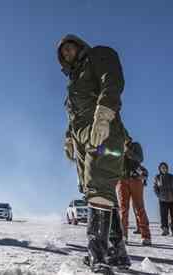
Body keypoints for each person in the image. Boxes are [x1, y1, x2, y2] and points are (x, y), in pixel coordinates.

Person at [58, 34, 130, 272]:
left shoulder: (98, 55)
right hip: (84, 142)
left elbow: (112, 80)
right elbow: (74, 118)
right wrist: (70, 139)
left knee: (100, 185)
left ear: (80, 47)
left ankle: (97, 253)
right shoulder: (73, 83)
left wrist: (104, 113)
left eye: (70, 48)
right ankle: (116, 250)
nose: (67, 53)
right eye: (63, 53)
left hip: (104, 132)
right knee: (95, 190)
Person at [116, 139, 151, 245]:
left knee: (139, 207)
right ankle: (123, 236)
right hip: (121, 180)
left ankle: (146, 237)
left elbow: (140, 158)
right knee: (123, 209)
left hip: (135, 180)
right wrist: (98, 147)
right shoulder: (116, 146)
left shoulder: (136, 145)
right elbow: (105, 153)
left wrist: (127, 151)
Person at [154, 162, 173, 236]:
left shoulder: (172, 177)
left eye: (165, 167)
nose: (163, 169)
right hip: (163, 200)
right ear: (160, 169)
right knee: (163, 216)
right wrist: (159, 195)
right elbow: (155, 188)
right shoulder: (157, 177)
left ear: (167, 168)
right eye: (162, 168)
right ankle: (165, 230)